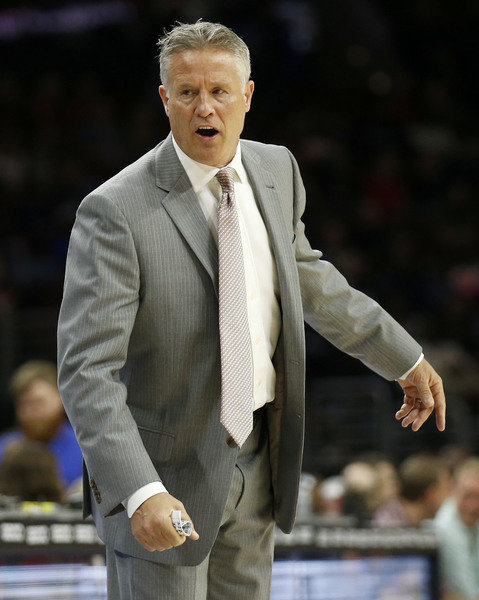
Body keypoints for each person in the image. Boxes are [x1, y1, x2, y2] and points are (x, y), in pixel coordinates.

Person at [57, 21, 446, 600]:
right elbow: (87, 371)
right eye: (187, 92)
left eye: (219, 90)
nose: (204, 107)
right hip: (164, 477)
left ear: (248, 95)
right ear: (164, 99)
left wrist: (404, 359)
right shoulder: (114, 210)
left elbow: (312, 282)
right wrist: (139, 490)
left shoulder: (276, 170)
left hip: (259, 462)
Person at [0, 360, 83, 490]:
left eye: (38, 403)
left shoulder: (84, 448)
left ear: (61, 399)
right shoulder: (5, 450)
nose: (30, 412)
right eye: (23, 404)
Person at [434, 457, 479, 599]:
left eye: (478, 497)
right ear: (453, 490)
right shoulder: (444, 527)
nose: (473, 505)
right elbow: (467, 591)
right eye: (467, 495)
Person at [373, 453, 449, 528]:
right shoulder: (389, 526)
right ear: (431, 494)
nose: (449, 496)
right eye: (447, 488)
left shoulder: (416, 524)